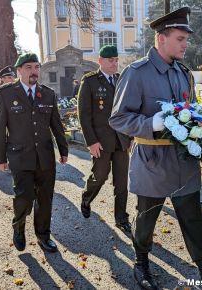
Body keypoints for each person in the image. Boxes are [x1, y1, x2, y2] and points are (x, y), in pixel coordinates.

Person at [109, 7, 202, 290]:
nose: (186, 44)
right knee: (146, 222)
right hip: (152, 163)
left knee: (194, 221)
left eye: (186, 39)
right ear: (161, 38)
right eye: (181, 39)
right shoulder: (136, 73)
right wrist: (152, 123)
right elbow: (118, 118)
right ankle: (142, 265)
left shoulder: (183, 74)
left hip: (184, 163)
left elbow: (191, 113)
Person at [0, 53, 69, 253]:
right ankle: (18, 228)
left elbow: (57, 126)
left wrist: (63, 149)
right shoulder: (5, 93)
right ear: (19, 71)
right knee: (24, 198)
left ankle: (43, 236)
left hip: (45, 158)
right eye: (28, 67)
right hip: (20, 157)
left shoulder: (48, 94)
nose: (34, 71)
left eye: (36, 67)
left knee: (45, 200)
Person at [78, 45, 131, 233]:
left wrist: (130, 137)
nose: (114, 63)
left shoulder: (120, 80)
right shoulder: (90, 81)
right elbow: (84, 115)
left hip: (121, 141)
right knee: (99, 176)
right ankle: (86, 197)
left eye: (116, 60)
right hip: (100, 141)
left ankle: (121, 217)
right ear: (100, 61)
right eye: (111, 60)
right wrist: (91, 141)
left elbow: (127, 111)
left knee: (122, 181)